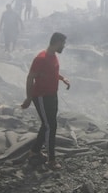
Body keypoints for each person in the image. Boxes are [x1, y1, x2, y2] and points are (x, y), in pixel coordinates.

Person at [21, 32, 70, 170]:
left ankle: (34, 152)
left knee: (47, 124)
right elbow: (30, 77)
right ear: (57, 42)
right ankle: (51, 159)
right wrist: (29, 98)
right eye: (63, 43)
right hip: (42, 96)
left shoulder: (53, 56)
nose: (64, 46)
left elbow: (52, 72)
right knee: (51, 126)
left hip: (52, 95)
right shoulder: (40, 58)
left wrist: (62, 78)